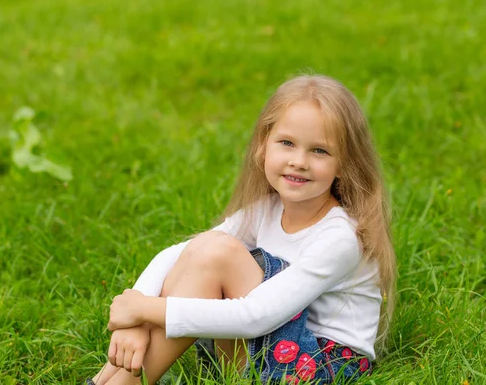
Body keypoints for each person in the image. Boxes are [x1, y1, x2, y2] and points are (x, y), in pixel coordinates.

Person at [87, 74, 396, 385]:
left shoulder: (340, 237)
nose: (299, 161)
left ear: (344, 163)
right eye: (287, 143)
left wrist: (145, 309)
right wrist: (135, 318)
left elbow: (255, 316)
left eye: (319, 151)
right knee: (208, 247)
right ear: (263, 147)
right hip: (266, 351)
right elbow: (179, 253)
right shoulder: (265, 210)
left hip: (315, 367)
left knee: (219, 253)